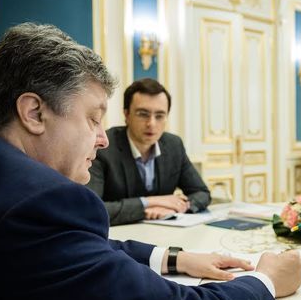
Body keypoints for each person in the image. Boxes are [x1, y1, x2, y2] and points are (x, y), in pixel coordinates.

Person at [0, 23, 301, 300]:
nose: (102, 139)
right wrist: (265, 280)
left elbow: (71, 248)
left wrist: (175, 258)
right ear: (34, 113)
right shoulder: (37, 205)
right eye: (93, 119)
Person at [86, 78, 209, 225]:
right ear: (126, 115)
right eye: (143, 114)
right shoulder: (103, 147)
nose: (151, 123)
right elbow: (91, 209)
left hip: (165, 233)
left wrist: (179, 206)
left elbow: (202, 193)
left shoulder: (174, 145)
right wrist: (149, 204)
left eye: (160, 116)